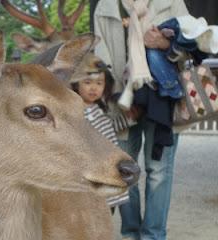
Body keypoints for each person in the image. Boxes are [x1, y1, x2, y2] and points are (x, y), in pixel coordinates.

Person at [93, 0, 189, 240]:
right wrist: (116, 98)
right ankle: (131, 233)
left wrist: (166, 43)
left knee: (159, 172)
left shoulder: (172, 2)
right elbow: (100, 58)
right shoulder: (106, 7)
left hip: (163, 100)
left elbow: (194, 45)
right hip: (122, 100)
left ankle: (154, 236)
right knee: (124, 171)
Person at [70, 70, 130, 208]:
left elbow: (111, 140)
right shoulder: (74, 113)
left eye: (99, 83)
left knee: (105, 209)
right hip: (86, 172)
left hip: (107, 168)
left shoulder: (102, 113)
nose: (93, 88)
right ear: (76, 84)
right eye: (87, 82)